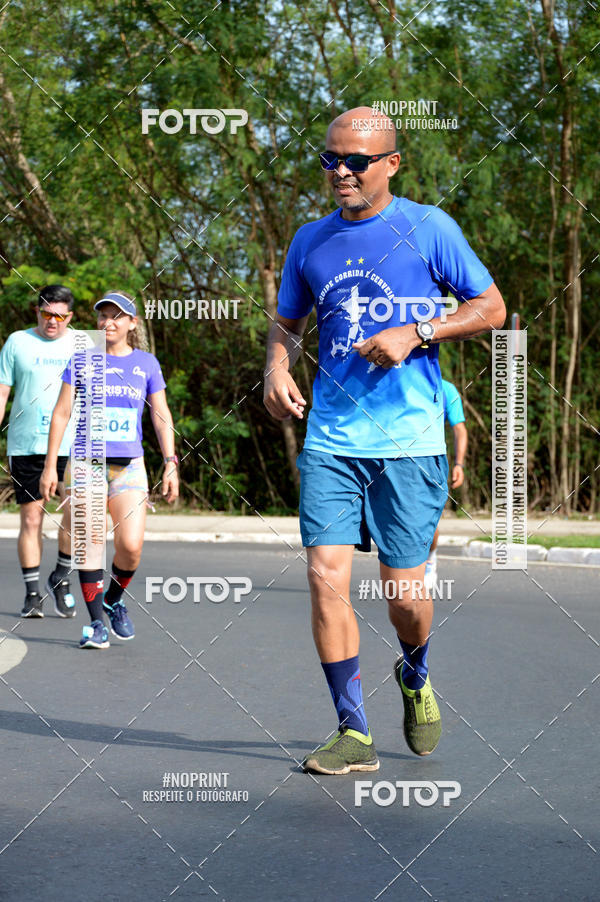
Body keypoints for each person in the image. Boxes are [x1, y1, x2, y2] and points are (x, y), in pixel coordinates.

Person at [264, 106, 505, 774]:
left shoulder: (430, 229)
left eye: (356, 162)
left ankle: (416, 671)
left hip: (409, 442)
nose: (340, 171)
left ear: (390, 164)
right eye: (329, 159)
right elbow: (285, 323)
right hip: (332, 440)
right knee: (324, 577)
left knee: (404, 599)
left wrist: (418, 332)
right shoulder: (310, 240)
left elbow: (492, 307)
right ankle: (353, 732)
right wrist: (276, 367)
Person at [40, 290, 179, 649]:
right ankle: (96, 624)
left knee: (130, 547)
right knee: (90, 544)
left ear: (132, 323)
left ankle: (113, 599)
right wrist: (51, 466)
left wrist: (170, 462)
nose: (108, 322)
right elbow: (61, 412)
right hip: (86, 463)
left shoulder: (147, 363)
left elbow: (161, 416)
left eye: (117, 316)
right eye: (103, 316)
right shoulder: (84, 357)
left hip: (129, 467)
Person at [0, 285, 76, 618]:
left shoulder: (84, 343)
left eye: (60, 316)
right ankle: (33, 594)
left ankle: (60, 576)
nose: (53, 322)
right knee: (32, 518)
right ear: (37, 312)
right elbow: (2, 392)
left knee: (79, 515)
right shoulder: (17, 341)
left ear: (70, 317)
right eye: (47, 314)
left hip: (73, 446)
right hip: (26, 442)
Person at [424, 378, 468, 590]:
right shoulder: (396, 380)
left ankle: (430, 558)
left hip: (431, 462)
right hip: (394, 460)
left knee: (428, 521)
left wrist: (459, 464)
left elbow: (459, 429)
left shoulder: (447, 389)